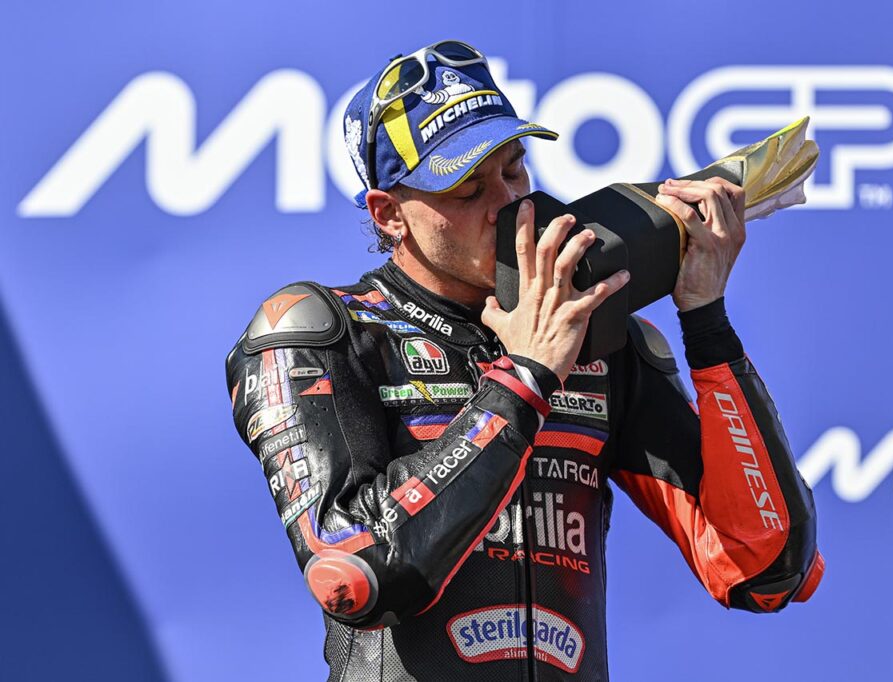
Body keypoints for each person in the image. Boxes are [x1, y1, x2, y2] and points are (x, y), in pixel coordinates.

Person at [225, 40, 824, 681]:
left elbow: (765, 566)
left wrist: (706, 323)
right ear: (389, 213)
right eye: (468, 189)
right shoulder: (321, 332)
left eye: (514, 171)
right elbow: (357, 572)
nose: (506, 206)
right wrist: (527, 377)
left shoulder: (595, 337)